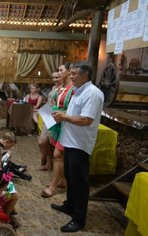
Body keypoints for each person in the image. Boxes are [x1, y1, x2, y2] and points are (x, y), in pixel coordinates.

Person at [51, 61, 104, 232]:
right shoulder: (78, 90)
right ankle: (70, 205)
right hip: (70, 141)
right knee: (70, 177)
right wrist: (63, 114)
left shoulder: (93, 93)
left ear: (85, 75)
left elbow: (86, 120)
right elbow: (76, 114)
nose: (70, 76)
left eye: (74, 74)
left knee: (79, 182)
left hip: (80, 144)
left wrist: (64, 117)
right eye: (71, 73)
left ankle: (79, 219)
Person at [42, 63, 74, 198]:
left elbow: (74, 109)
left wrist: (62, 113)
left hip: (68, 124)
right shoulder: (62, 88)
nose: (59, 73)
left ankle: (53, 186)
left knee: (58, 155)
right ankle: (63, 181)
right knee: (59, 155)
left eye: (61, 70)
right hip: (60, 123)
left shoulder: (72, 89)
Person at [38, 71, 63, 172]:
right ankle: (47, 161)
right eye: (53, 78)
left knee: (49, 142)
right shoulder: (53, 88)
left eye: (57, 77)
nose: (55, 80)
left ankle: (48, 162)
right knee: (43, 141)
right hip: (47, 114)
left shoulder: (63, 89)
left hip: (54, 116)